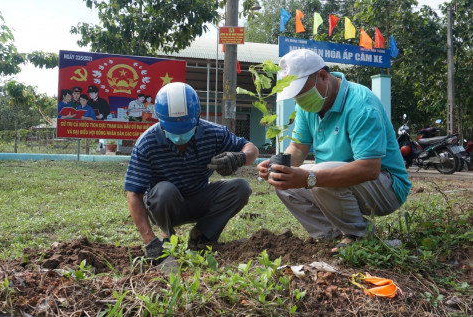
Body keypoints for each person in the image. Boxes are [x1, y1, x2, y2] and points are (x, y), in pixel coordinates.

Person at [257, 49, 412, 255]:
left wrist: (310, 177)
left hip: (386, 187)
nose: (300, 101)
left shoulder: (361, 104)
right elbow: (298, 148)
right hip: (341, 182)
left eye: (302, 93)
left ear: (322, 76)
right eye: (295, 96)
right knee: (285, 183)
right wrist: (277, 167)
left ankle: (359, 235)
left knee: (318, 175)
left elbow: (369, 169)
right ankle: (334, 234)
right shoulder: (309, 107)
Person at [124, 82, 259, 262]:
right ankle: (166, 236)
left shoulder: (214, 133)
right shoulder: (147, 144)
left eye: (186, 128)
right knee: (164, 190)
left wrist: (239, 157)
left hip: (199, 197)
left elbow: (251, 149)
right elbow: (134, 194)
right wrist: (149, 241)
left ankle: (201, 236)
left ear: (197, 116)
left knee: (241, 187)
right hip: (165, 204)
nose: (180, 136)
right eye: (173, 129)